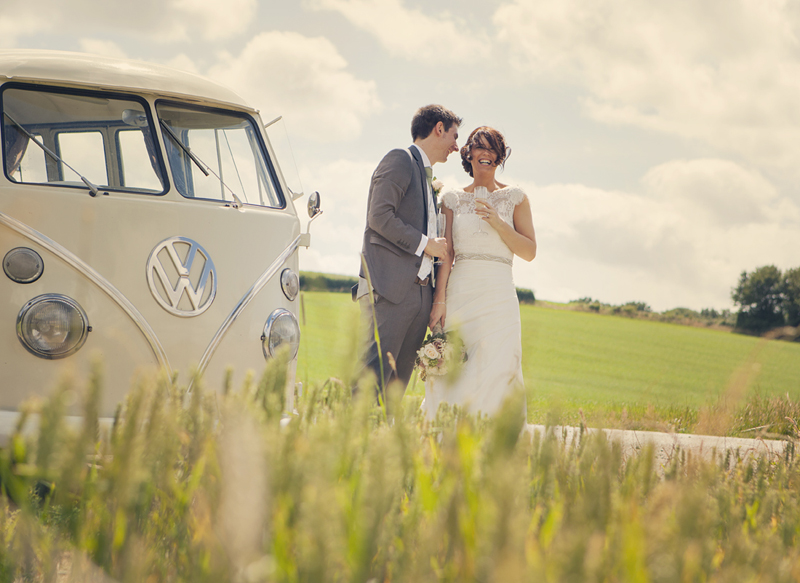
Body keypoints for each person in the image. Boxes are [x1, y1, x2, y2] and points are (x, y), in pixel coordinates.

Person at [422, 126, 537, 419]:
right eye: (480, 147)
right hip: (460, 292)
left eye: (492, 149)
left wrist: (498, 222)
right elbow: (446, 254)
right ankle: (446, 436)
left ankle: (494, 442)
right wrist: (439, 301)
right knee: (455, 367)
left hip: (498, 296)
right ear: (468, 153)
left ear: (499, 157)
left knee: (498, 368)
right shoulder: (452, 199)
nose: (486, 154)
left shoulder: (516, 198)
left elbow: (529, 252)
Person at [354, 104, 462, 399]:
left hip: (419, 297)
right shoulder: (400, 159)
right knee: (369, 379)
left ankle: (384, 442)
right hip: (390, 291)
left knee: (395, 389)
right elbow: (379, 217)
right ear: (438, 128)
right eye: (454, 136)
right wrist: (426, 243)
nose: (456, 146)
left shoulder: (427, 178)